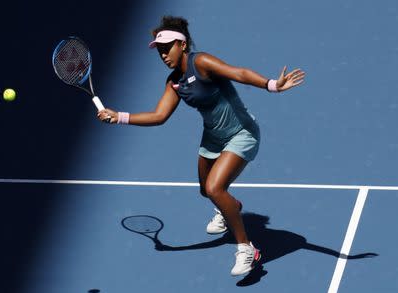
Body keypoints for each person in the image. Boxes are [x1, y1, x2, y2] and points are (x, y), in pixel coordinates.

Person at [97, 15, 305, 276]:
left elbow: (238, 72)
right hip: (213, 137)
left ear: (182, 45)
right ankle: (231, 207)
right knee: (206, 192)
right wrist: (119, 117)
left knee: (214, 188)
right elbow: (159, 116)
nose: (163, 55)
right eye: (159, 50)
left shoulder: (202, 62)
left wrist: (272, 85)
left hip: (241, 133)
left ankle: (246, 248)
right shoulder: (174, 82)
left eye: (167, 47)